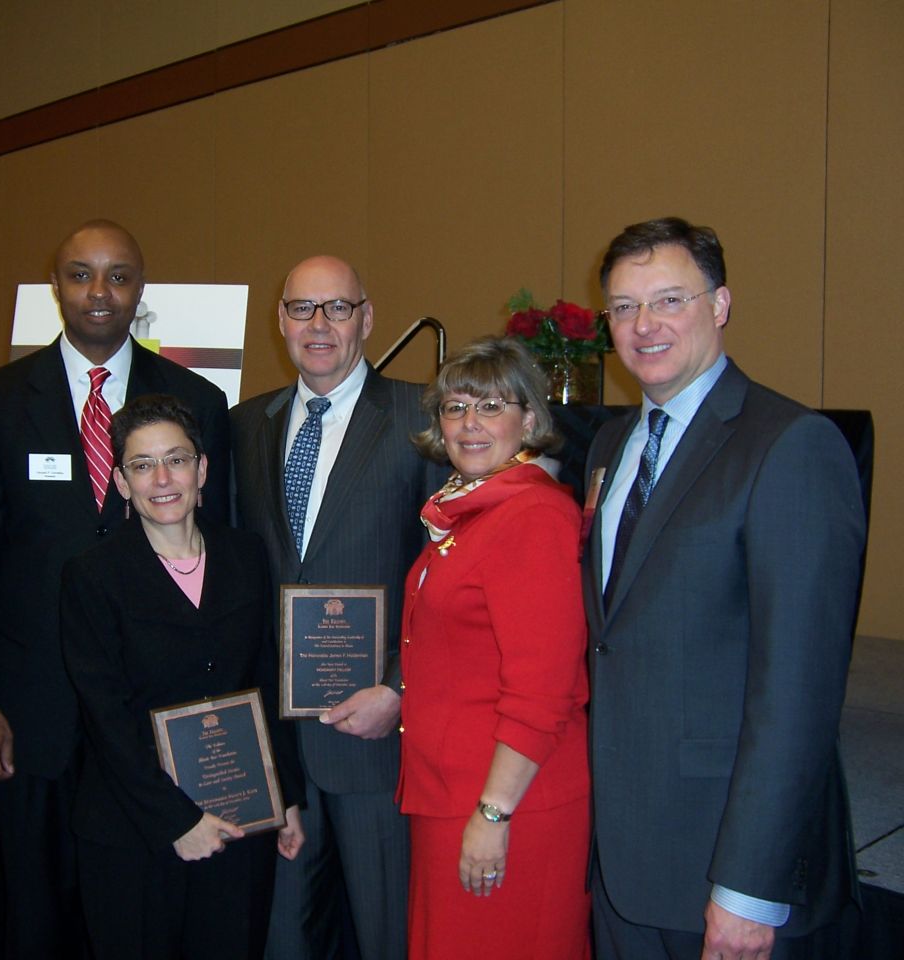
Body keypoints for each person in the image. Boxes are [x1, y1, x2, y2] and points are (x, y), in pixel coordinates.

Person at [584, 217, 866, 959]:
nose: (644, 325)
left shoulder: (789, 445)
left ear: (720, 305)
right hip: (622, 856)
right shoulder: (612, 444)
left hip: (723, 867)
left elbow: (799, 693)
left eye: (669, 300)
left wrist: (747, 889)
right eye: (624, 306)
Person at [0, 219, 230, 956]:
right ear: (56, 287)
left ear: (141, 289)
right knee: (36, 911)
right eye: (81, 275)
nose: (99, 292)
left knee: (137, 911)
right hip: (33, 710)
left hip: (154, 714)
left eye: (118, 276)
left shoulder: (198, 401)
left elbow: (219, 561)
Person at [232, 255, 444, 960]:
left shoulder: (423, 417)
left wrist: (399, 687)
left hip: (378, 740)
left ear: (368, 317)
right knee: (282, 941)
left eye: (338, 308)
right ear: (280, 320)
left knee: (388, 937)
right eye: (302, 308)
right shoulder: (245, 426)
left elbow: (450, 575)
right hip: (278, 752)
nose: (318, 324)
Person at [62, 393, 305, 959]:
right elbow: (106, 718)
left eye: (176, 459)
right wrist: (177, 820)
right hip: (135, 831)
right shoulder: (92, 575)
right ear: (122, 483)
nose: (162, 478)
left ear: (203, 469)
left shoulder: (245, 554)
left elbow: (266, 680)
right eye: (142, 465)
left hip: (241, 816)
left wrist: (285, 795)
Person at [397, 337, 591, 959]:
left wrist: (494, 814)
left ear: (529, 420)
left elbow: (542, 691)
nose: (469, 424)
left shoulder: (532, 517)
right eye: (455, 408)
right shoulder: (472, 510)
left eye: (491, 406)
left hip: (509, 803)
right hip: (451, 793)